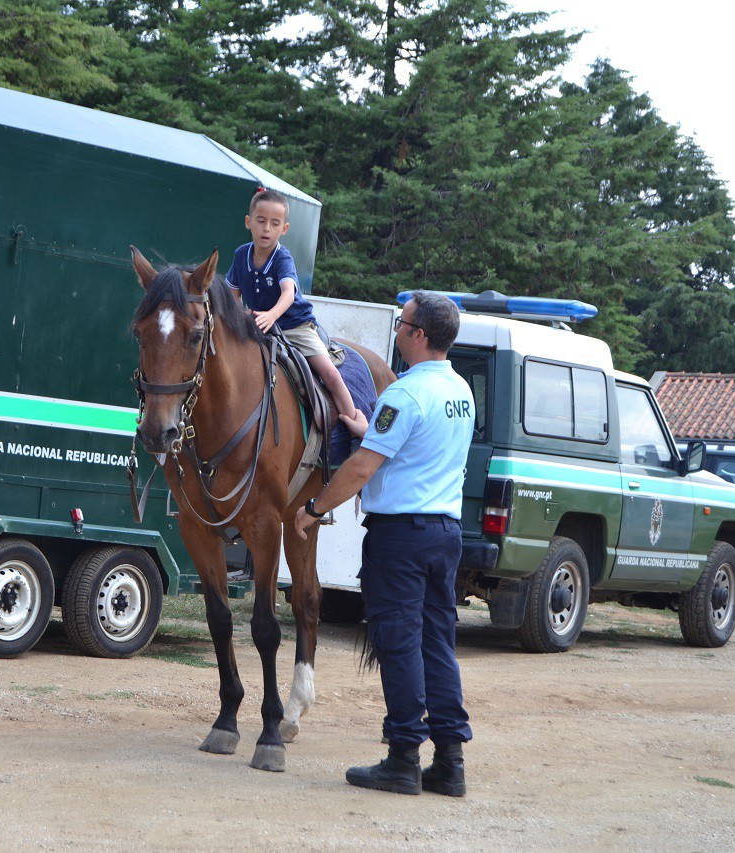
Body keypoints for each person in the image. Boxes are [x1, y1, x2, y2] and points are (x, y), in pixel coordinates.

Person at [294, 290, 473, 796]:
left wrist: (312, 509)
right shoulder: (460, 390)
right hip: (444, 533)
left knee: (399, 645)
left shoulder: (404, 394)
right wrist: (368, 428)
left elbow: (362, 467)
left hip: (401, 539)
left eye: (402, 324)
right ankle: (450, 761)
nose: (397, 331)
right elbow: (410, 446)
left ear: (418, 335)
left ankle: (402, 759)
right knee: (438, 642)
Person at [226, 189, 358, 423]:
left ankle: (354, 423)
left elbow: (288, 293)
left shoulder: (282, 258)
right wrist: (239, 315)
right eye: (261, 221)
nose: (267, 228)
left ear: (284, 229)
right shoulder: (240, 255)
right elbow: (232, 294)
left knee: (329, 373)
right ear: (248, 222)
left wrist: (271, 315)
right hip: (258, 325)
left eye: (274, 223)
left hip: (294, 325)